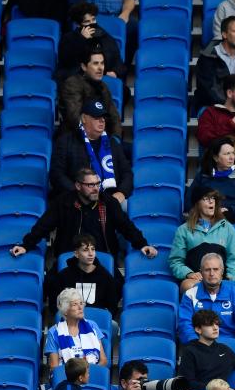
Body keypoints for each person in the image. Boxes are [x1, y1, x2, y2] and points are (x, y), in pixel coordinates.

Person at [12, 168, 157, 258]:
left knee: (115, 287)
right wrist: (26, 245)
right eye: (90, 185)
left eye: (97, 184)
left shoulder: (108, 203)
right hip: (70, 258)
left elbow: (126, 226)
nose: (95, 189)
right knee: (52, 284)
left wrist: (142, 244)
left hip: (101, 258)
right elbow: (43, 226)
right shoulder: (64, 202)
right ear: (78, 186)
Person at [50, 98, 132, 202]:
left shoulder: (112, 143)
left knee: (128, 208)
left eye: (103, 117)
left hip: (111, 199)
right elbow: (57, 175)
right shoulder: (66, 142)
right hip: (77, 198)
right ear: (84, 118)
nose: (102, 120)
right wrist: (80, 193)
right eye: (96, 117)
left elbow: (127, 172)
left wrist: (122, 192)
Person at [177, 309, 235, 390]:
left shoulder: (224, 349)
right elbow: (187, 383)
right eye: (210, 325)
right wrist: (218, 389)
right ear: (198, 329)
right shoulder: (190, 351)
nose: (215, 328)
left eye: (217, 324)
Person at [169, 188, 235, 292]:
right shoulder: (183, 230)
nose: (211, 201)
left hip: (221, 279)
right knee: (188, 286)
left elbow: (234, 259)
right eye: (206, 199)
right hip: (197, 280)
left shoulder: (227, 228)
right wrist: (189, 274)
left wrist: (230, 278)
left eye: (213, 198)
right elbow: (176, 261)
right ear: (197, 203)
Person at [188, 137, 235, 236]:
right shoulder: (203, 177)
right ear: (216, 158)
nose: (232, 157)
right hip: (208, 225)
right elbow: (189, 203)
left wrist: (231, 209)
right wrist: (212, 211)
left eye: (233, 153)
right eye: (227, 154)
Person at [178, 253, 235, 345]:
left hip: (230, 345)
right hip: (201, 346)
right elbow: (184, 325)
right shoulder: (190, 295)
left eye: (216, 269)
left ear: (222, 271)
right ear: (201, 272)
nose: (212, 273)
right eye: (207, 270)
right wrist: (196, 345)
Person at [45, 235, 120, 317]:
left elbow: (112, 307)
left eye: (93, 249)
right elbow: (55, 305)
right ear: (76, 254)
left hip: (97, 321)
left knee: (113, 325)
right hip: (70, 321)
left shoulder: (105, 277)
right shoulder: (63, 276)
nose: (91, 254)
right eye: (85, 250)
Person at [58, 49, 122, 137]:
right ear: (84, 67)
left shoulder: (103, 86)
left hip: (100, 137)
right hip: (75, 139)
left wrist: (116, 138)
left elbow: (114, 117)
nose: (100, 68)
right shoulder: (72, 84)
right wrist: (95, 138)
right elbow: (74, 118)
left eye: (102, 63)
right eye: (95, 63)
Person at [55, 2, 126, 83]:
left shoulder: (104, 36)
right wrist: (81, 39)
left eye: (93, 19)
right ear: (78, 24)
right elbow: (67, 63)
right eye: (87, 22)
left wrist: (115, 72)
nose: (92, 23)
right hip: (77, 80)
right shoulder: (68, 39)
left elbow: (117, 60)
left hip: (102, 78)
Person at [195, 16, 235, 110]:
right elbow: (208, 90)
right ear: (224, 34)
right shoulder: (208, 57)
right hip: (212, 106)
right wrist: (228, 106)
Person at [44, 288, 108, 370]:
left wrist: (86, 375)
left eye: (81, 303)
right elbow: (54, 368)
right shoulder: (54, 332)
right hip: (66, 379)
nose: (80, 307)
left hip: (92, 376)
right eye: (75, 304)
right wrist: (76, 376)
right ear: (65, 310)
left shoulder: (92, 326)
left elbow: (103, 361)